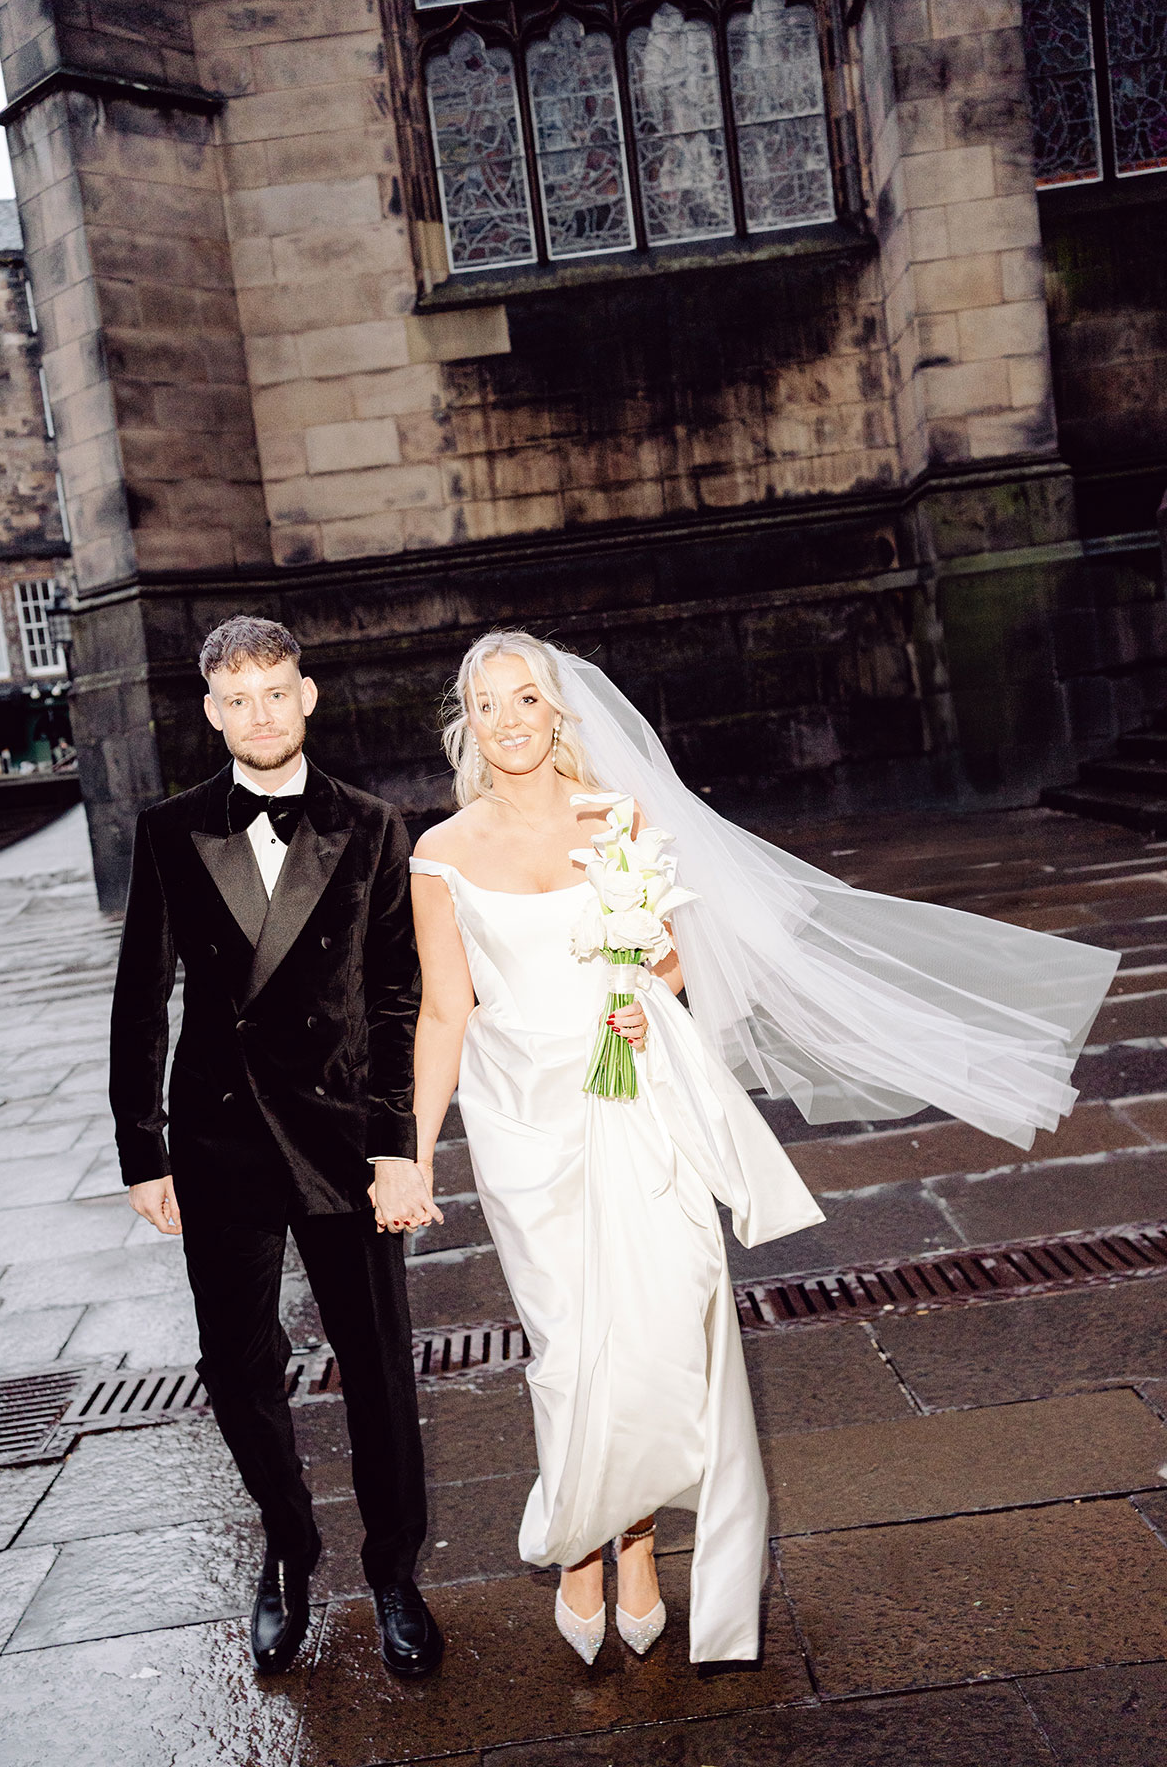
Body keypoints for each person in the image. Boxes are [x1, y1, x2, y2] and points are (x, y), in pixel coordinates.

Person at [408, 630, 1119, 1667]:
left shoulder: (619, 818)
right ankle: (578, 1538)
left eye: (527, 699)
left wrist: (645, 998)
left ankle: (639, 1537)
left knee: (660, 1324)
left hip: (636, 1099)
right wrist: (416, 1152)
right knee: (570, 1347)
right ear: (464, 724)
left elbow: (676, 953)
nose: (510, 722)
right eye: (488, 705)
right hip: (524, 1124)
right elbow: (442, 1008)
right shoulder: (441, 851)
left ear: (558, 711)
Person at [109, 615, 443, 1678]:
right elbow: (138, 1001)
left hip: (344, 1135)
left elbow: (399, 998)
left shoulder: (375, 826)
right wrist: (141, 1151)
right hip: (216, 1140)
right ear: (211, 711)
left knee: (380, 1366)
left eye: (275, 691)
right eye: (235, 697)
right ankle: (290, 1550)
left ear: (308, 696)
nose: (258, 713)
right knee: (235, 1360)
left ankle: (394, 1570)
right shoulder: (168, 830)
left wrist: (398, 1145)